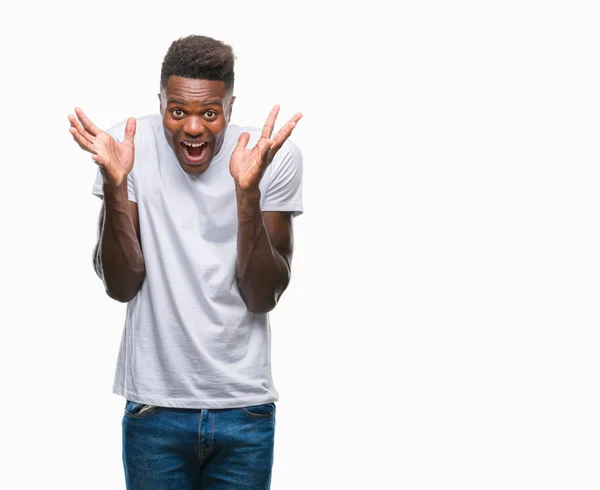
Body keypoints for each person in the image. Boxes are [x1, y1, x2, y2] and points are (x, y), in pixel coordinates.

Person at [68, 34, 303, 489]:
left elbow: (263, 294)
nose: (193, 128)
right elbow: (120, 285)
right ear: (160, 103)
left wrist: (247, 192)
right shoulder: (125, 146)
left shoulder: (270, 157)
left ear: (230, 109)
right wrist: (116, 185)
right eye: (178, 111)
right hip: (155, 409)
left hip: (245, 412)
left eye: (209, 113)